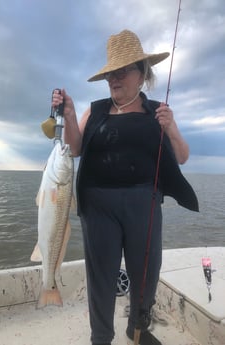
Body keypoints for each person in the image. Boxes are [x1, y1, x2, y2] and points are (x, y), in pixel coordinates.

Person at [52, 29, 198, 345]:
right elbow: (74, 148)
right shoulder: (98, 109)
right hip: (98, 206)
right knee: (101, 278)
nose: (114, 79)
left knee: (145, 274)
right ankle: (101, 337)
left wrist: (171, 127)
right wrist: (71, 114)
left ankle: (139, 329)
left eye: (122, 71)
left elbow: (183, 156)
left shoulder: (157, 112)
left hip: (143, 204)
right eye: (110, 74)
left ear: (142, 74)